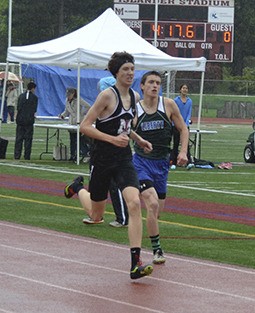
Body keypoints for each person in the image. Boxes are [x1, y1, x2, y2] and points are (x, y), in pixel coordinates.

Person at [64, 51, 153, 280]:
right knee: (96, 215)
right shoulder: (106, 96)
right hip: (102, 158)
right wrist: (112, 139)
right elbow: (85, 126)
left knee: (134, 203)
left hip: (123, 158)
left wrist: (138, 139)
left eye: (132, 69)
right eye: (125, 70)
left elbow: (124, 126)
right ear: (116, 73)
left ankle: (136, 262)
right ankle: (78, 189)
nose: (130, 73)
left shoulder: (134, 96)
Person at [132, 71, 189, 264]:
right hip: (141, 163)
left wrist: (182, 152)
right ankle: (157, 250)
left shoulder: (168, 105)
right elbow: (125, 129)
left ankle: (147, 231)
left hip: (162, 164)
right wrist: (135, 139)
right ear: (142, 86)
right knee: (152, 203)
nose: (155, 86)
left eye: (158, 82)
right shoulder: (135, 110)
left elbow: (183, 128)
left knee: (157, 211)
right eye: (151, 82)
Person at [98, 76, 129, 228]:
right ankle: (77, 188)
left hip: (117, 154)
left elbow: (125, 128)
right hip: (104, 153)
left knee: (116, 185)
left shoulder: (122, 103)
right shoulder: (107, 104)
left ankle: (123, 218)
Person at [59, 87, 91, 162]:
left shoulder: (78, 100)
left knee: (79, 139)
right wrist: (62, 115)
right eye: (67, 94)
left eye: (69, 94)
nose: (68, 96)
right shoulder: (67, 100)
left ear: (73, 94)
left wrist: (82, 113)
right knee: (72, 139)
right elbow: (67, 111)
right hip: (71, 122)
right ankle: (72, 155)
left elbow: (88, 106)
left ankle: (85, 153)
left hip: (78, 121)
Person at [171, 84, 193, 170]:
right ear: (180, 90)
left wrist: (186, 123)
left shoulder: (189, 101)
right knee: (175, 144)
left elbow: (189, 113)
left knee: (186, 145)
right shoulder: (176, 100)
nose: (185, 90)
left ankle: (189, 162)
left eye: (186, 88)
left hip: (185, 126)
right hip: (176, 125)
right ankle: (173, 162)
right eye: (183, 88)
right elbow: (175, 113)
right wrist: (177, 123)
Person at [14, 82, 38, 160]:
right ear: (33, 88)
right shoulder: (34, 98)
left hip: (20, 120)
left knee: (19, 139)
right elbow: (34, 109)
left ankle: (17, 155)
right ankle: (27, 155)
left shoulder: (21, 96)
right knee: (28, 139)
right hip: (29, 121)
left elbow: (18, 108)